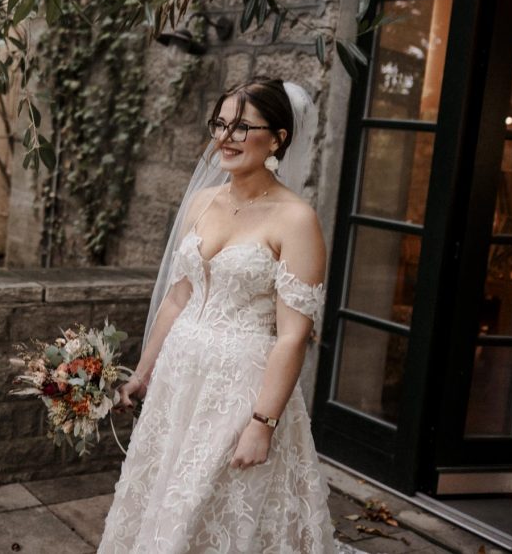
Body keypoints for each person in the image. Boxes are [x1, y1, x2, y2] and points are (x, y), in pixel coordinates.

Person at [99, 77, 335, 553]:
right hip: (178, 381)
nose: (225, 137)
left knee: (214, 514)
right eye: (220, 124)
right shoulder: (202, 202)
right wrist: (142, 375)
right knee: (162, 503)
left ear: (278, 139)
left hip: (241, 389)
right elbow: (177, 299)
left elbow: (292, 336)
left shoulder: (296, 219)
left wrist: (262, 423)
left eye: (242, 127)